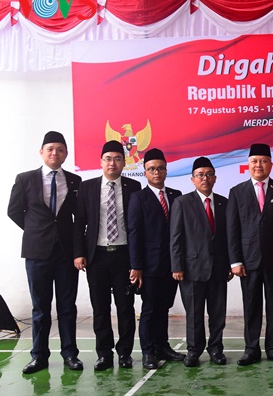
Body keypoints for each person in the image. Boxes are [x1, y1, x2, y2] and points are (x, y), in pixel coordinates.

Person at [8, 131, 83, 374]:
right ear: (41, 152)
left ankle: (70, 354)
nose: (55, 153)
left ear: (66, 154)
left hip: (66, 254)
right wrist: (36, 231)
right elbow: (13, 211)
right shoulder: (25, 179)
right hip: (37, 252)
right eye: (50, 149)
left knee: (67, 306)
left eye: (60, 149)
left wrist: (77, 249)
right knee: (40, 307)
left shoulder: (74, 181)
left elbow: (79, 218)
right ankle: (39, 356)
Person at [73, 140, 141, 371]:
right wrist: (79, 253)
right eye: (108, 159)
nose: (112, 163)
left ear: (124, 162)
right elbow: (79, 223)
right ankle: (104, 354)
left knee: (125, 307)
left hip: (123, 256)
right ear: (101, 162)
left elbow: (137, 226)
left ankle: (125, 353)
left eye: (118, 159)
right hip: (97, 257)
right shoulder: (87, 187)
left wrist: (137, 261)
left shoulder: (133, 187)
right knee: (100, 308)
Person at [227, 144, 273, 366]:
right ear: (248, 165)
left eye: (263, 161)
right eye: (254, 161)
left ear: (271, 164)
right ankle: (251, 349)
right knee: (251, 306)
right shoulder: (237, 192)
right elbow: (232, 229)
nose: (259, 165)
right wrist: (235, 261)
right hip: (248, 262)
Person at [170, 157, 231, 367]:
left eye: (208, 174)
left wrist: (230, 264)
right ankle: (193, 351)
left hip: (218, 269)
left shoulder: (223, 203)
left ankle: (216, 349)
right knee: (194, 315)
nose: (205, 178)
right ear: (193, 179)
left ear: (215, 178)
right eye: (200, 175)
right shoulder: (182, 203)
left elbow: (229, 237)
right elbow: (175, 237)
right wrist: (176, 266)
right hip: (191, 269)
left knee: (218, 314)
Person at [127, 148, 185, 370]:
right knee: (150, 309)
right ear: (145, 172)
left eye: (160, 168)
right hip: (149, 266)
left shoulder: (176, 195)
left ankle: (163, 346)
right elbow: (134, 233)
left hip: (172, 264)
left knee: (164, 307)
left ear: (166, 170)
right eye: (152, 169)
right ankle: (148, 351)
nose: (156, 172)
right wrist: (136, 266)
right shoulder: (138, 198)